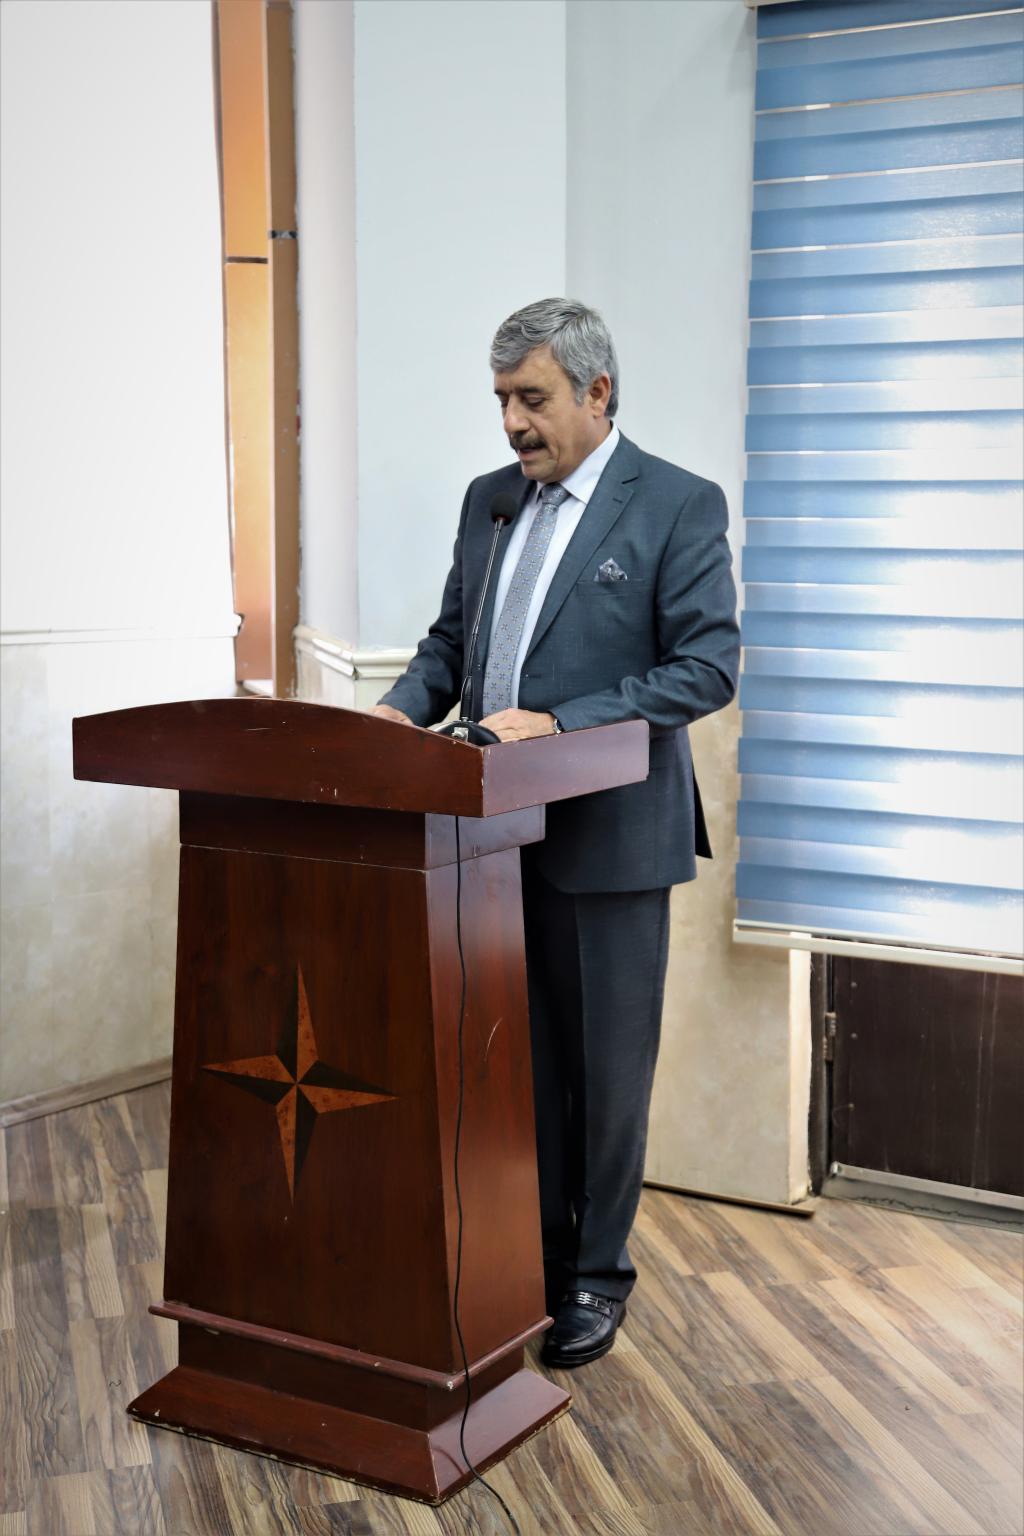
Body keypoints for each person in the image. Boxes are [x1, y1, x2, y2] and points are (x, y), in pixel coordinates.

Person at [373, 298, 740, 1368]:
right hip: (485, 840)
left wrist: (562, 723)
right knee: (510, 1070)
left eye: (530, 399)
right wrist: (394, 714)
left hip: (610, 841)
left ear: (597, 392)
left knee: (604, 1077)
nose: (511, 423)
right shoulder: (489, 501)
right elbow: (452, 646)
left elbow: (705, 667)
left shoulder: (676, 503)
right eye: (500, 400)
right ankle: (526, 1261)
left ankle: (594, 1277)